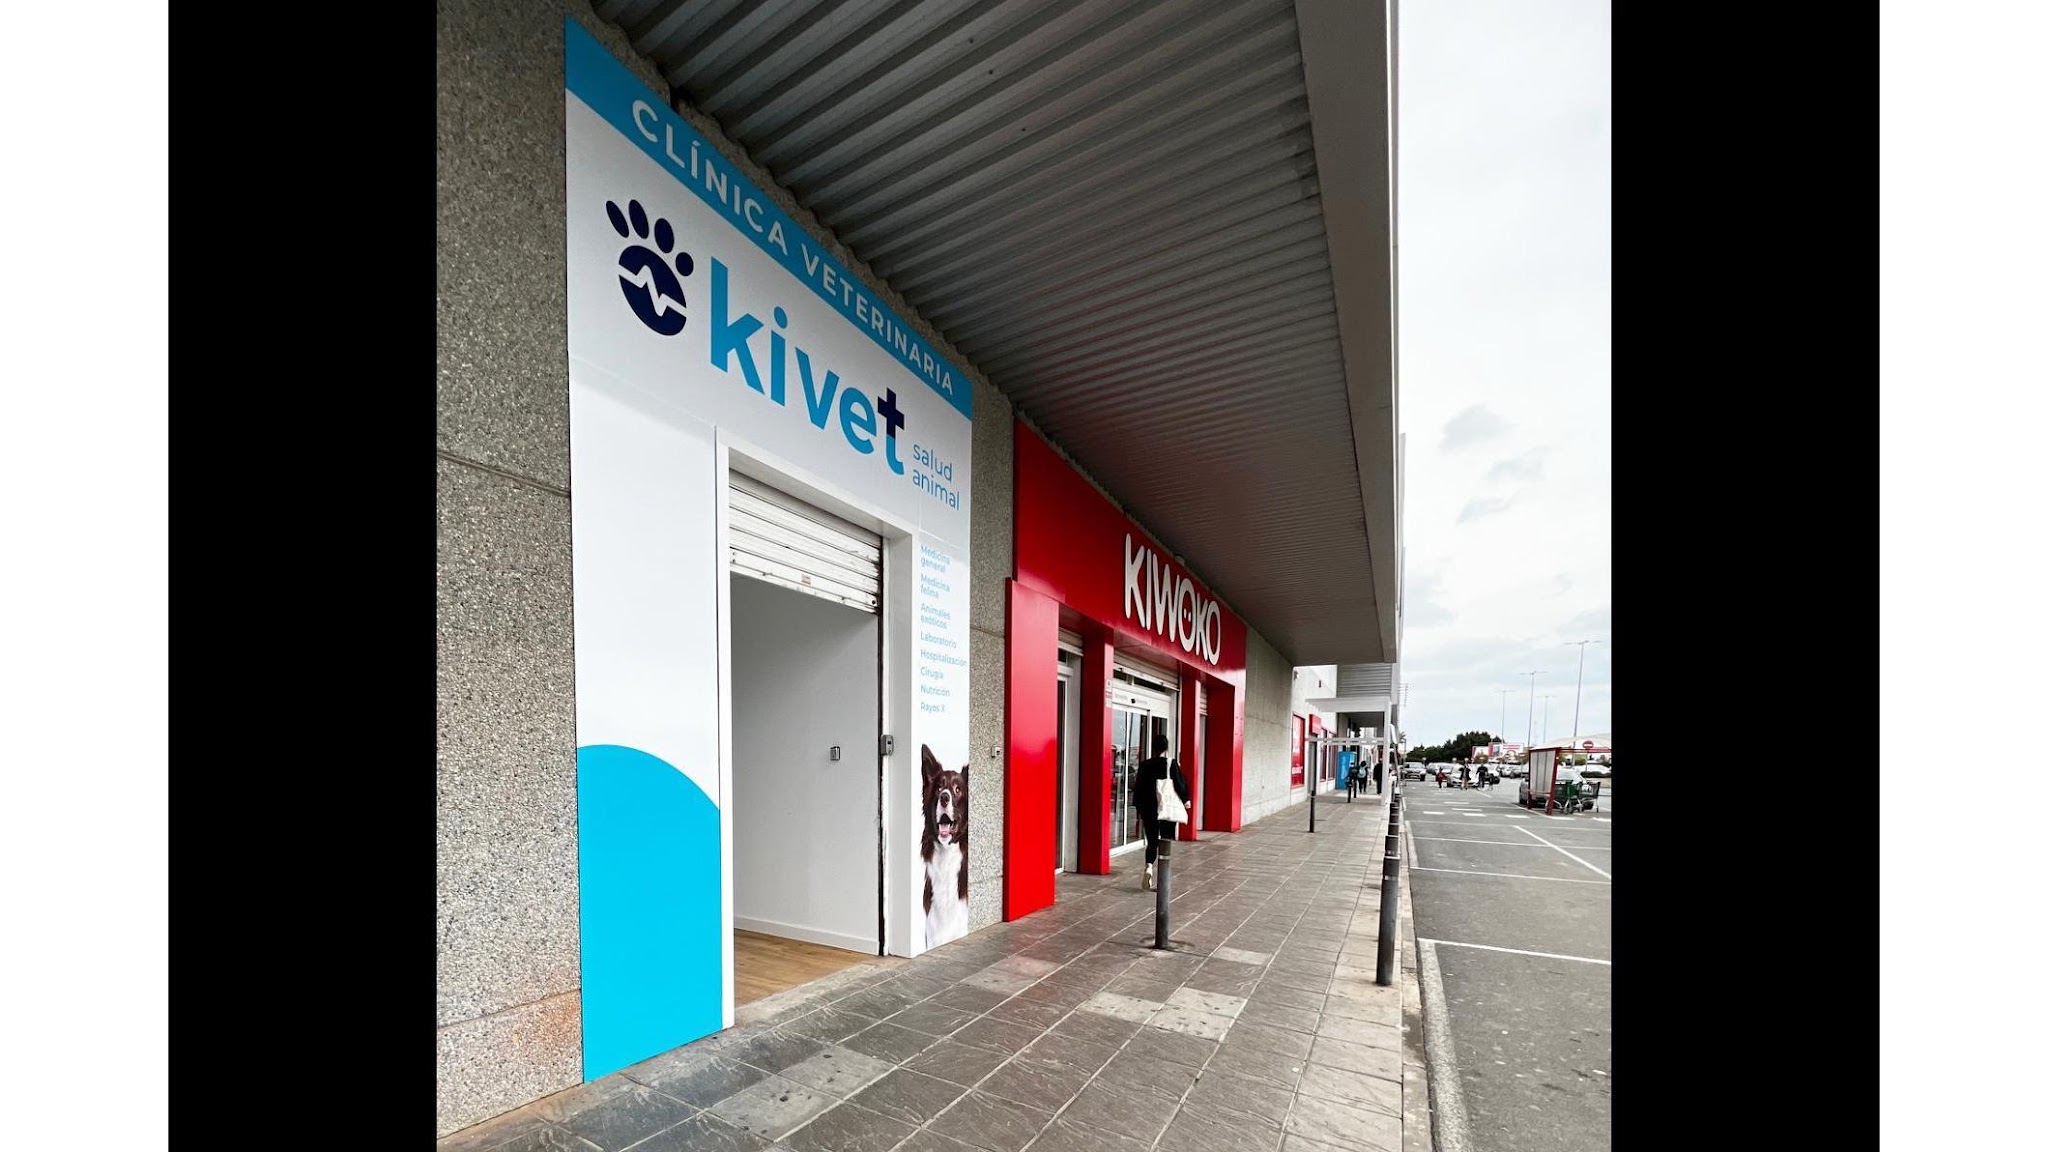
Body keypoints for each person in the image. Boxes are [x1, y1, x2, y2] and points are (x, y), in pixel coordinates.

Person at [1134, 732, 1191, 891]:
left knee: (1152, 842)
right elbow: (1180, 784)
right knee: (1165, 842)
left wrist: (1139, 808)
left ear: (1153, 748)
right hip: (1166, 808)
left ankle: (1148, 866)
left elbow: (1138, 788)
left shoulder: (1145, 765)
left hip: (1149, 809)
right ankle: (1162, 879)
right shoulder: (1170, 764)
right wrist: (1186, 800)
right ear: (1166, 748)